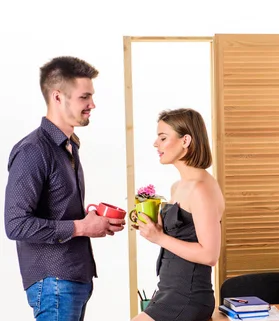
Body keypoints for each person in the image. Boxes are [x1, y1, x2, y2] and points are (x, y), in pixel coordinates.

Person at [4, 56, 126, 321]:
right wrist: (82, 227)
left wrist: (94, 221)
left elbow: (56, 212)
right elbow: (15, 224)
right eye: (85, 97)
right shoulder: (33, 150)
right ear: (58, 97)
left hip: (71, 278)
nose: (92, 104)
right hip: (54, 282)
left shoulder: (69, 145)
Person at [131, 108, 224, 321]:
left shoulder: (202, 188)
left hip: (188, 297)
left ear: (186, 140)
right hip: (168, 292)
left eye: (163, 138)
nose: (156, 143)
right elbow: (183, 235)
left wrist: (159, 237)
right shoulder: (177, 187)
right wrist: (154, 228)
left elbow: (209, 255)